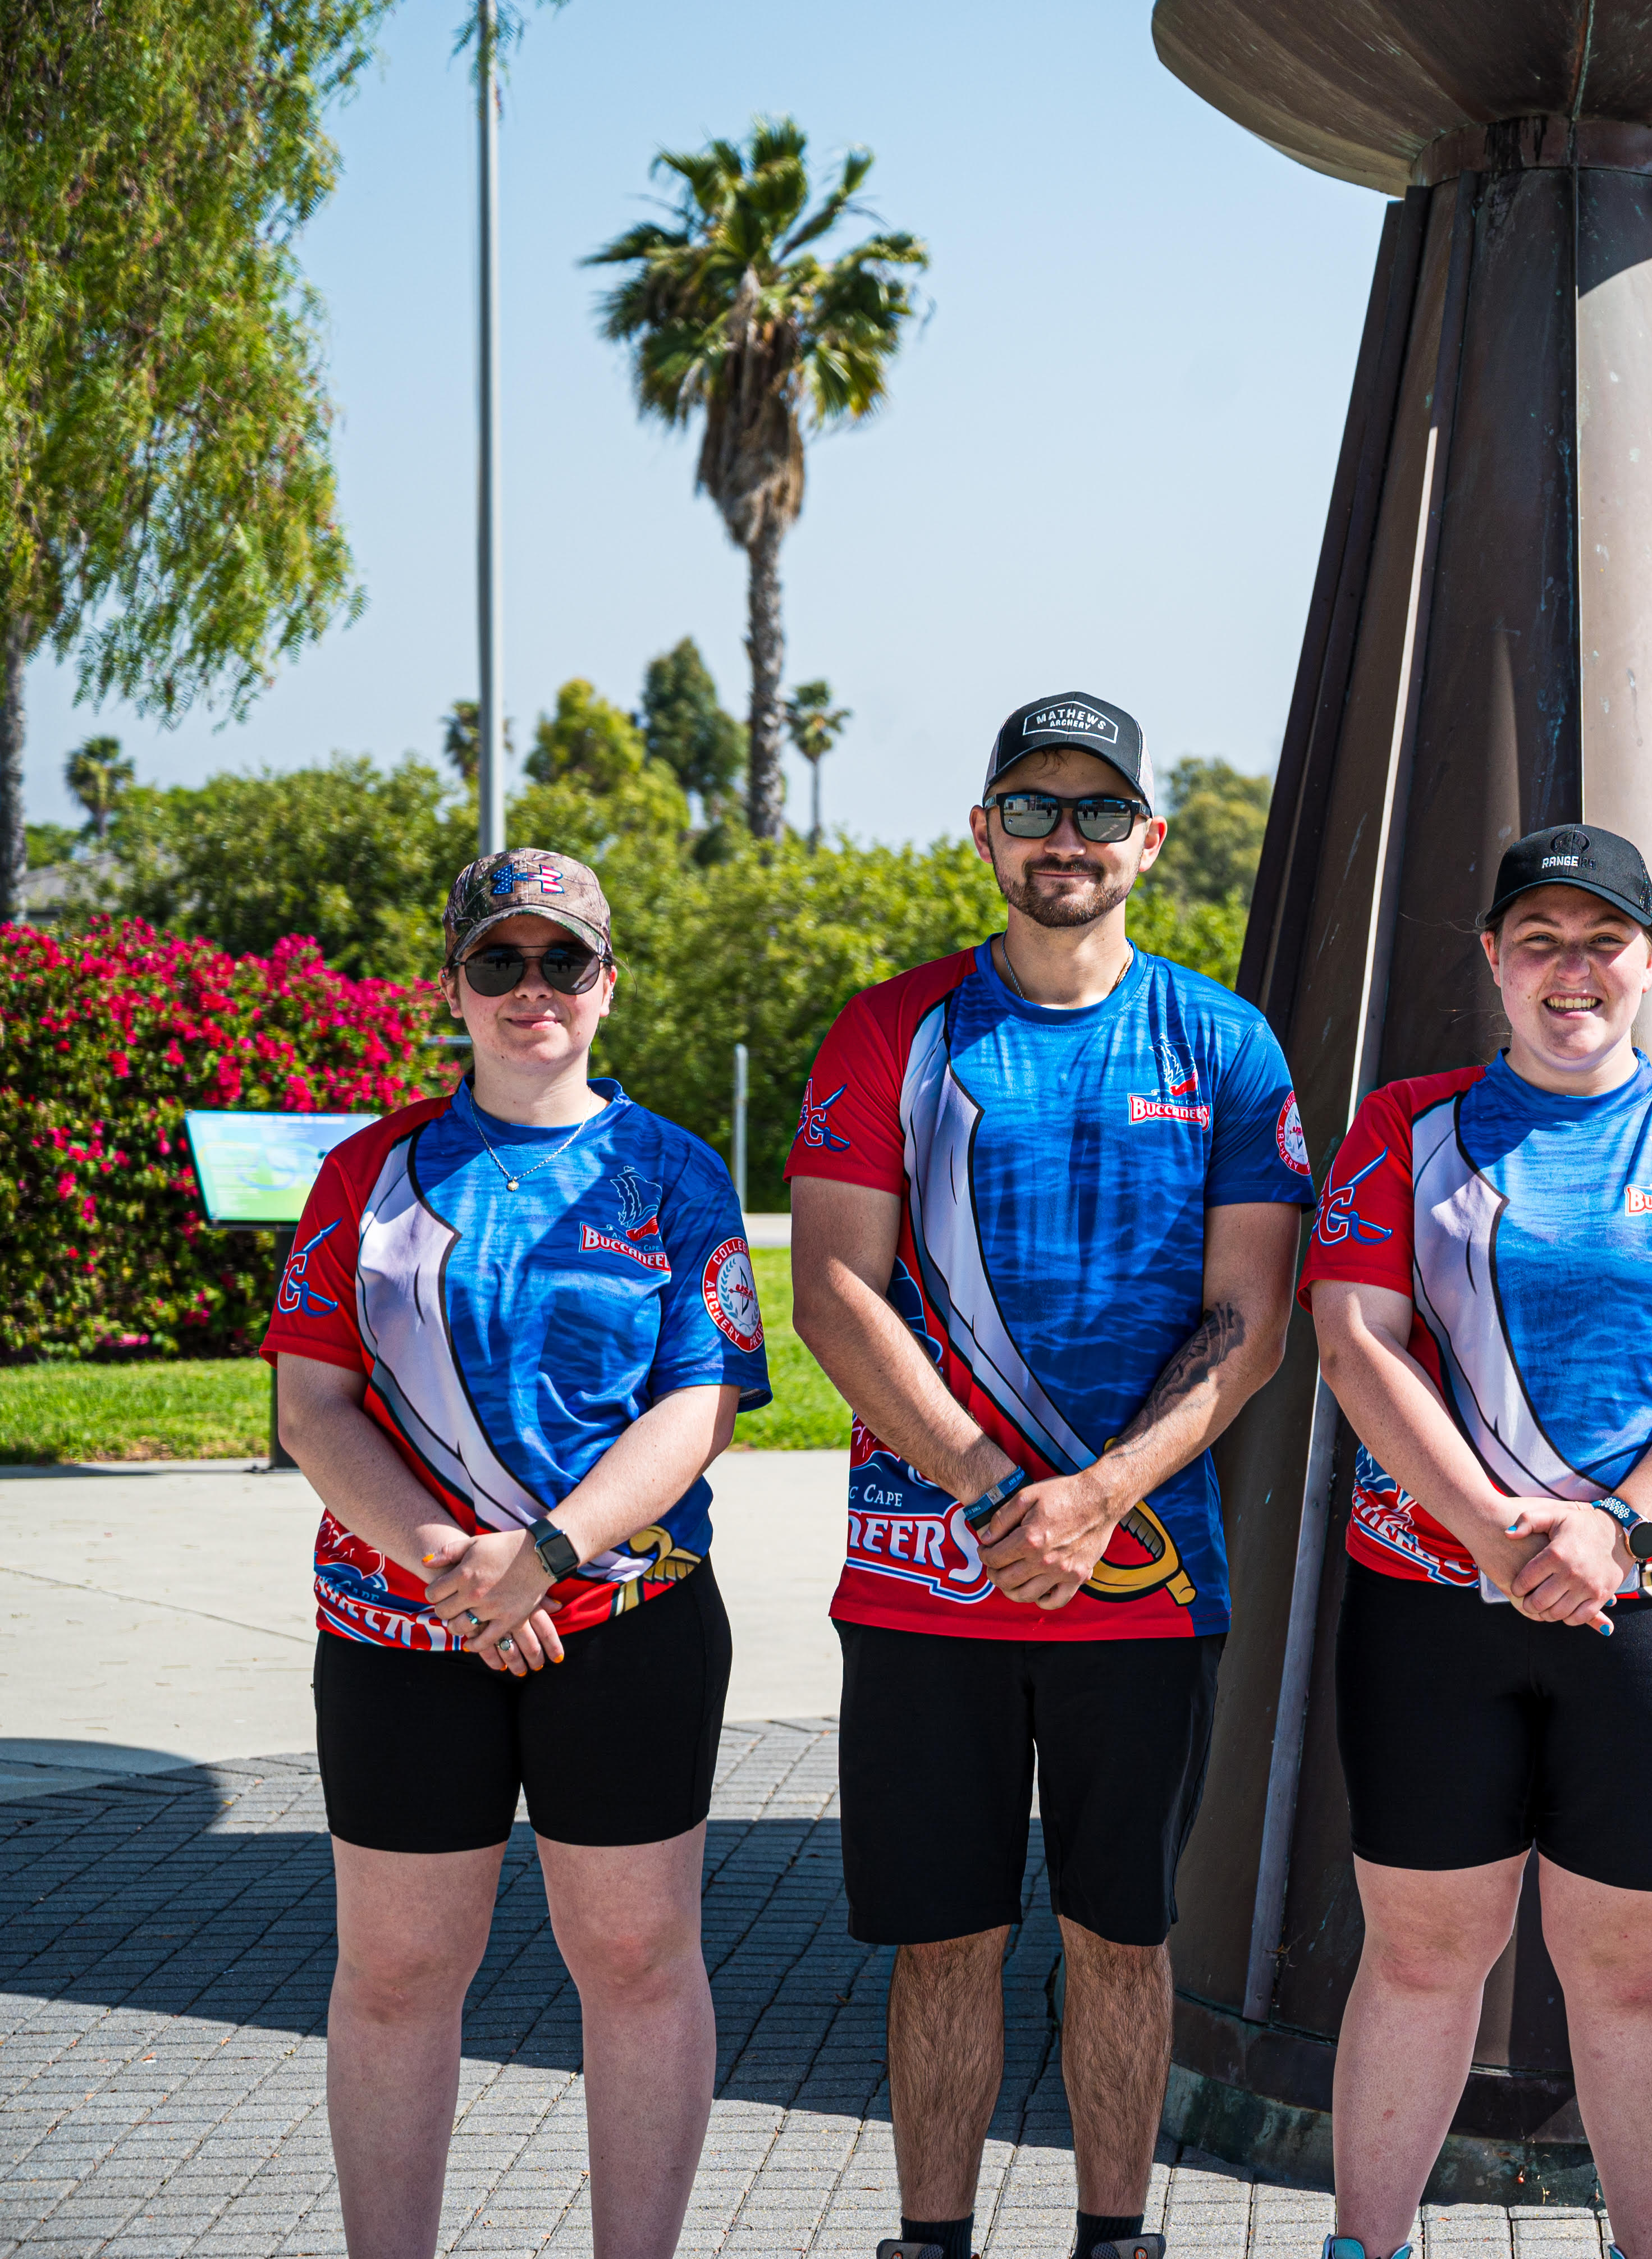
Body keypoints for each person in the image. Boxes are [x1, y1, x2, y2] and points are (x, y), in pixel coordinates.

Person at [786, 693, 1312, 2259]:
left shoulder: (1223, 1042)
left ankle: (1114, 2242)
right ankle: (930, 2243)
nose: (1063, 839)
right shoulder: (893, 1030)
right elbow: (833, 1291)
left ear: (1150, 839)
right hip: (926, 1583)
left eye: (1098, 812)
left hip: (1146, 1590)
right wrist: (994, 1497)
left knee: (1122, 1942)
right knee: (940, 1945)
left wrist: (1093, 1506)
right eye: (1033, 808)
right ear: (984, 833)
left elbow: (1256, 1318)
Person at [1299, 823, 1652, 2259]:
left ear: (1650, 960)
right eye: (1540, 939)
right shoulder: (1405, 1123)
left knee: (1630, 1969)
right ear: (1493, 958)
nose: (1571, 969)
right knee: (1419, 1954)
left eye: (1603, 940)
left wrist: (1613, 1528)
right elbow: (1355, 1341)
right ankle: (1368, 2242)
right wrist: (1489, 1528)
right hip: (1430, 1601)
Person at [264, 849, 770, 2259]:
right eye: (501, 962)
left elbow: (703, 1400)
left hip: (625, 1620)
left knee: (635, 1958)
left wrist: (541, 1554)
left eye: (565, 962)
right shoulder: (367, 1174)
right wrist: (452, 1565)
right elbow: (312, 1406)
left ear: (608, 987)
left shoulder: (673, 1172)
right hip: (400, 1627)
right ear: (453, 990)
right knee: (399, 1966)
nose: (532, 989)